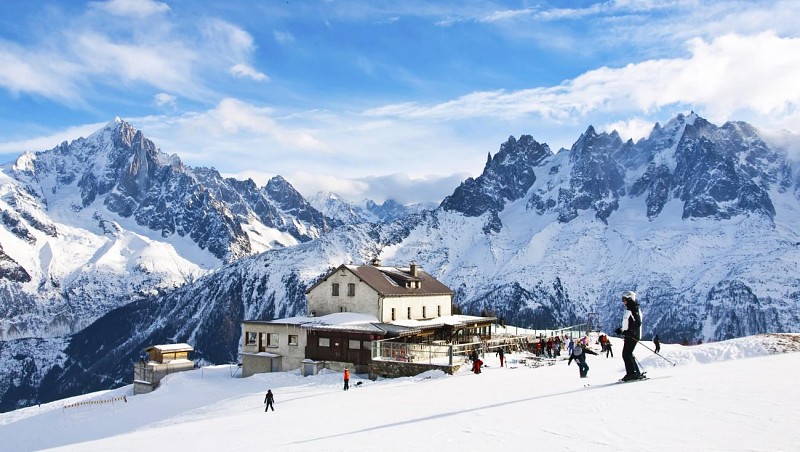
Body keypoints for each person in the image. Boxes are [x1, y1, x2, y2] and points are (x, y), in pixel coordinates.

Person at [615, 290, 643, 381]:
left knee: (626, 354)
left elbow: (638, 322)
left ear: (630, 299)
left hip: (633, 335)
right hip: (630, 335)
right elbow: (629, 323)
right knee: (628, 354)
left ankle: (632, 374)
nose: (623, 302)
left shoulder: (634, 309)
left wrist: (630, 331)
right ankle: (635, 373)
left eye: (625, 299)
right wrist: (621, 329)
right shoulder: (629, 309)